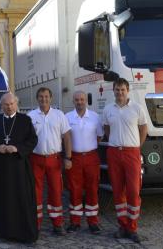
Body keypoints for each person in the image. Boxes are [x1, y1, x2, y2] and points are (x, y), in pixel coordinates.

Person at [0, 93, 38, 243]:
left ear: (16, 104)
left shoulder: (25, 120)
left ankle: (21, 232)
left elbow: (33, 140)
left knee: (20, 198)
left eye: (11, 104)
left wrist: (17, 148)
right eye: (6, 105)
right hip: (1, 168)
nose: (9, 107)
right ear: (1, 106)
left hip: (19, 168)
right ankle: (4, 231)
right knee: (4, 199)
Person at [102, 78, 148, 243]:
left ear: (127, 91)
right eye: (117, 89)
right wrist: (113, 141)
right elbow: (106, 128)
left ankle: (132, 227)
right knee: (118, 191)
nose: (119, 92)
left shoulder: (137, 108)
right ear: (113, 90)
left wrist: (137, 146)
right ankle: (122, 226)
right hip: (114, 152)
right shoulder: (108, 109)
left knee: (133, 191)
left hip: (132, 153)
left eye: (122, 89)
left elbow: (144, 128)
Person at [27, 87, 72, 235]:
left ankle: (57, 224)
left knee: (56, 191)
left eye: (46, 96)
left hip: (54, 159)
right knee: (35, 192)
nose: (43, 99)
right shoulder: (30, 116)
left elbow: (66, 137)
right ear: (37, 98)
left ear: (51, 98)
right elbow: (25, 139)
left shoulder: (59, 115)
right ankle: (36, 224)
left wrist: (68, 157)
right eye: (41, 96)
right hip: (36, 159)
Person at [64, 91, 103, 234]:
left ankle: (93, 222)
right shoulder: (67, 117)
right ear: (73, 101)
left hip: (91, 157)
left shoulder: (94, 117)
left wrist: (88, 147)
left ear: (86, 100)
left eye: (82, 99)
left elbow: (99, 136)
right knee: (75, 189)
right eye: (76, 99)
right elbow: (65, 138)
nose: (79, 102)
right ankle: (75, 222)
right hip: (74, 157)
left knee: (92, 189)